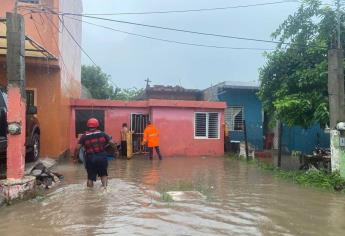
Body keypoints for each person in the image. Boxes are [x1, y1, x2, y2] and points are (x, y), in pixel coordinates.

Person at [76, 118, 111, 189]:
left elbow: (77, 148)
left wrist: (75, 157)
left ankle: (89, 195)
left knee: (90, 177)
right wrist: (116, 151)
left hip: (90, 158)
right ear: (97, 125)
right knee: (103, 175)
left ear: (88, 125)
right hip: (102, 157)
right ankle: (105, 189)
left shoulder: (84, 136)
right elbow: (112, 143)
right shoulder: (103, 134)